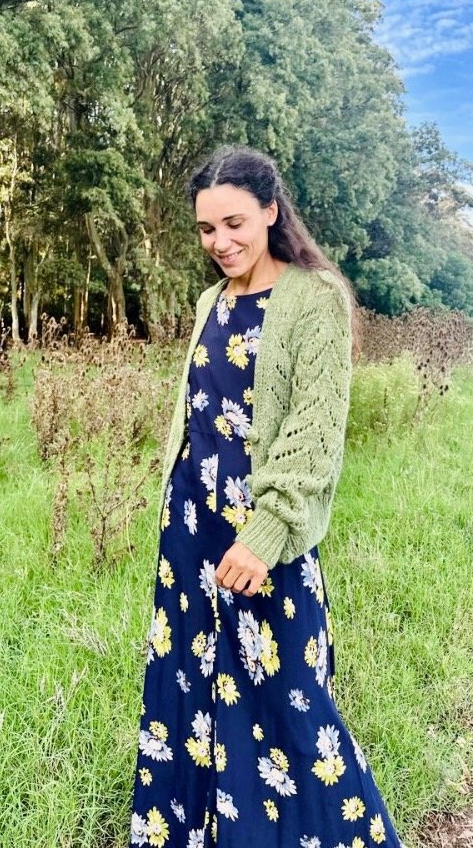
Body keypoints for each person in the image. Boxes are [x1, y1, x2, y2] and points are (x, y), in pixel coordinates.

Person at [128, 145, 403, 848]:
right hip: (190, 533)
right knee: (187, 693)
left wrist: (266, 533)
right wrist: (172, 515)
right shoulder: (210, 302)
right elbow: (197, 419)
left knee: (290, 703)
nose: (220, 242)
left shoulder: (315, 299)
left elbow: (315, 432)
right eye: (206, 228)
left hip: (262, 539)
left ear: (271, 212)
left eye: (235, 223)